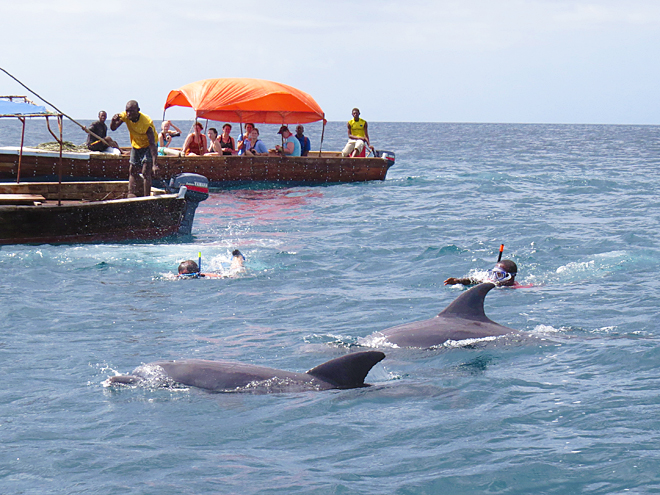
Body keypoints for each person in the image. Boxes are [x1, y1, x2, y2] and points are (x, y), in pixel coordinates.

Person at [110, 100, 158, 197]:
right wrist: (113, 121)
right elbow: (113, 128)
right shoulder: (125, 116)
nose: (129, 114)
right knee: (132, 170)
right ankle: (131, 193)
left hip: (148, 146)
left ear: (138, 111)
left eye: (131, 111)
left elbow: (152, 145)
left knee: (145, 171)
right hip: (136, 145)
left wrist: (155, 164)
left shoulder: (146, 123)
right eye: (127, 111)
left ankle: (146, 197)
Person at [444, 259, 520, 288]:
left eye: (499, 275)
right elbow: (473, 281)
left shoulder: (516, 287)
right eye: (493, 273)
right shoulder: (492, 282)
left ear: (510, 276)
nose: (494, 277)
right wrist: (457, 281)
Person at [177, 250, 245, 278]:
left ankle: (237, 256)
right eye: (180, 273)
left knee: (236, 268)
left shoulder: (201, 275)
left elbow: (219, 276)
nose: (180, 276)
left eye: (184, 274)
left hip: (220, 273)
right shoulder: (180, 276)